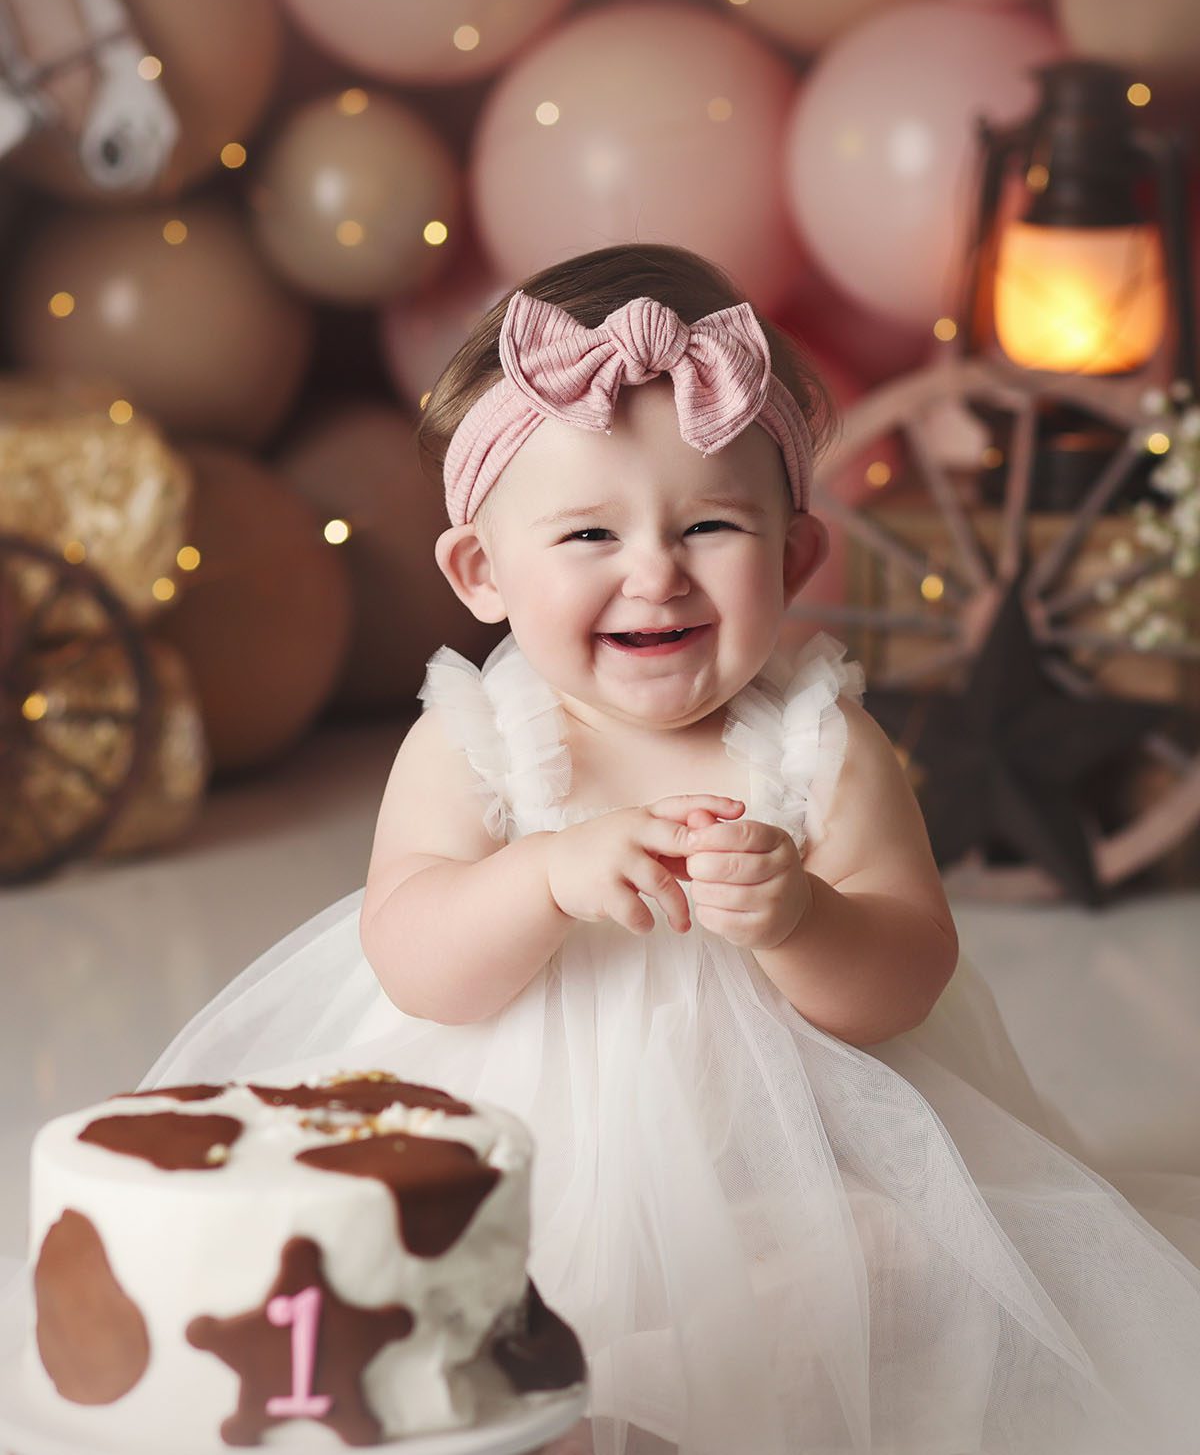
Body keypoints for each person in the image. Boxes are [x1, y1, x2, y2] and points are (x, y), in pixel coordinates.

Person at [147, 244, 1200, 1455]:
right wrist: (542, 876)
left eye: (709, 524)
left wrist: (804, 917)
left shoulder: (821, 746)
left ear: (797, 557)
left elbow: (907, 972)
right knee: (497, 1292)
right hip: (520, 1152)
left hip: (786, 1152)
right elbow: (415, 960)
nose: (655, 571)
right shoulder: (479, 744)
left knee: (893, 1264)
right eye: (589, 534)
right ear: (482, 572)